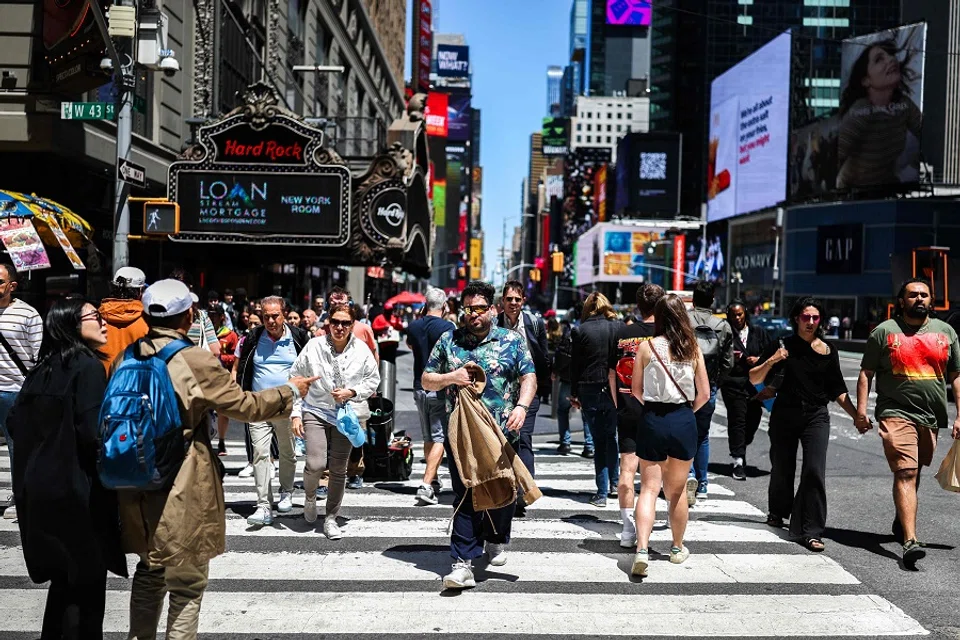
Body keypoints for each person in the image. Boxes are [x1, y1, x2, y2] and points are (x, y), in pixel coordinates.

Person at [117, 279, 315, 640]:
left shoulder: (129, 354)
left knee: (149, 572)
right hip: (181, 480)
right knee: (187, 584)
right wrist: (290, 391)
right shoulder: (193, 358)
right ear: (188, 315)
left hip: (134, 479)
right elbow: (244, 406)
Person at [8, 299, 126, 639]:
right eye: (96, 317)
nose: (105, 323)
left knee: (62, 583)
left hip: (39, 491)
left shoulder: (42, 368)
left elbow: (15, 422)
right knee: (86, 590)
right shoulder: (87, 366)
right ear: (73, 325)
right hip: (77, 494)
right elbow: (93, 433)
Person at [422, 281, 537, 590]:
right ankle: (462, 563)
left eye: (480, 308)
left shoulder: (511, 341)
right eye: (468, 308)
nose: (473, 314)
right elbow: (426, 379)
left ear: (493, 309)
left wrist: (522, 407)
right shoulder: (449, 340)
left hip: (502, 435)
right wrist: (451, 377)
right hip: (461, 436)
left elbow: (529, 376)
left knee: (502, 493)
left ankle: (496, 537)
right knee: (466, 495)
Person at [856, 279, 960, 567]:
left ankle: (902, 520)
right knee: (906, 471)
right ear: (901, 301)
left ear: (932, 300)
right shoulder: (884, 332)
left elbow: (956, 376)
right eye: (912, 295)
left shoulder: (946, 332)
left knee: (914, 472)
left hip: (931, 417)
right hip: (895, 412)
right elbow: (866, 373)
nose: (918, 299)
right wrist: (861, 412)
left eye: (924, 295)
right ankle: (910, 541)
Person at [750, 297, 857, 553]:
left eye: (815, 318)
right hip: (785, 414)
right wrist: (773, 359)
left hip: (816, 416)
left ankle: (810, 530)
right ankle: (777, 511)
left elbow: (838, 389)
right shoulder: (782, 344)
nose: (810, 322)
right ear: (796, 318)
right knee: (782, 468)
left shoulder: (829, 350)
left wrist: (856, 415)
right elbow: (754, 376)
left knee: (814, 471)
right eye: (806, 317)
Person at [629, 293, 711, 577]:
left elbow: (636, 391)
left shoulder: (647, 347)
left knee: (649, 490)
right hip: (682, 419)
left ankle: (641, 549)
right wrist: (686, 410)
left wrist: (654, 408)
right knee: (676, 493)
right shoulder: (693, 349)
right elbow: (705, 394)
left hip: (652, 419)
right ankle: (676, 548)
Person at [290, 302, 380, 539]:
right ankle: (310, 496)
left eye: (345, 323)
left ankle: (331, 518)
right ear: (328, 321)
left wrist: (352, 392)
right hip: (315, 409)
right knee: (317, 463)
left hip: (345, 414)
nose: (339, 327)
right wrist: (296, 413)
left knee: (339, 469)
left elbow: (373, 379)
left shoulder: (361, 350)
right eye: (335, 322)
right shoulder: (314, 346)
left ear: (353, 325)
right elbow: (295, 377)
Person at [234, 296, 311, 526]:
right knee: (260, 453)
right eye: (266, 316)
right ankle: (263, 506)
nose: (270, 320)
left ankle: (286, 491)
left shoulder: (298, 337)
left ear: (284, 314)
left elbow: (307, 369)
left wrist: (303, 405)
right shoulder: (253, 337)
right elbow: (243, 368)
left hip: (287, 405)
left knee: (287, 452)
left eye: (275, 315)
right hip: (258, 406)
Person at [610, 283, 663, 547]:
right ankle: (646, 525)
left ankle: (628, 529)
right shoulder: (667, 335)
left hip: (627, 407)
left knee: (627, 469)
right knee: (653, 476)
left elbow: (612, 372)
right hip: (658, 409)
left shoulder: (623, 333)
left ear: (638, 305)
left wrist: (617, 401)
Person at [837, 38, 923, 189]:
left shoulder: (904, 105)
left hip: (887, 190)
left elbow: (929, 140)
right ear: (866, 81)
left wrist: (910, 172)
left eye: (890, 54)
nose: (891, 59)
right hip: (852, 195)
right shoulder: (860, 111)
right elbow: (835, 158)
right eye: (879, 60)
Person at [496, 280, 550, 515]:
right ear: (502, 301)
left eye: (517, 299)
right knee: (503, 440)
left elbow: (544, 355)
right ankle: (504, 488)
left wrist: (541, 385)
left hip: (528, 390)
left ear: (523, 301)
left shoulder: (534, 323)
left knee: (524, 438)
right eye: (509, 299)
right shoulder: (494, 323)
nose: (513, 304)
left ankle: (523, 491)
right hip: (500, 392)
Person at [318, 286, 378, 490]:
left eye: (341, 302)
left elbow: (373, 356)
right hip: (328, 393)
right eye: (333, 303)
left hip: (355, 391)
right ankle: (326, 476)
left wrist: (370, 386)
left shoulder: (362, 329)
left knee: (355, 431)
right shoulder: (321, 331)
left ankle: (355, 470)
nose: (337, 306)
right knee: (327, 435)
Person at [570, 292, 622, 508]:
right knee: (612, 437)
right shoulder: (617, 327)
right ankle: (615, 485)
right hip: (613, 388)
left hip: (588, 387)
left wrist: (574, 393)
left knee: (598, 440)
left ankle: (601, 492)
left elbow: (575, 365)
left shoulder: (580, 330)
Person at [0, 262, 42, 520]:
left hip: (16, 391)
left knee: (18, 448)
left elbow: (38, 358)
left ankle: (21, 495)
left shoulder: (28, 315)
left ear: (11, 286)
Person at [406, 287, 455, 505]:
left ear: (425, 305)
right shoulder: (448, 327)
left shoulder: (414, 326)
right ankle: (426, 484)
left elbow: (409, 344)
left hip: (419, 386)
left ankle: (433, 478)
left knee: (428, 435)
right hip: (440, 386)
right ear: (444, 306)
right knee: (440, 437)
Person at [686, 280, 734, 504]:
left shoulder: (683, 320)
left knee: (683, 433)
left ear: (693, 300)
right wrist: (715, 382)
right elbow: (728, 362)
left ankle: (688, 475)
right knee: (702, 435)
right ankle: (703, 484)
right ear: (713, 300)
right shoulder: (722, 325)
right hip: (709, 385)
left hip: (684, 384)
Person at [720, 299, 770, 481]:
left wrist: (759, 360)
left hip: (755, 385)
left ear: (745, 313)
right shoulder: (725, 334)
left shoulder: (758, 333)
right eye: (733, 315)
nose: (737, 318)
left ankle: (742, 445)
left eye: (740, 314)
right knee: (737, 420)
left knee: (753, 418)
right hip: (733, 384)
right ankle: (738, 460)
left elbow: (770, 353)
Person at [552, 317, 594, 457]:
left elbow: (561, 354)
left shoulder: (570, 331)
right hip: (585, 378)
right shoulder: (591, 331)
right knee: (586, 413)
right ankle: (589, 445)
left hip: (568, 378)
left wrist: (556, 370)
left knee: (563, 410)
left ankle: (565, 442)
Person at [98, 266, 150, 372]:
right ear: (140, 291)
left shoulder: (94, 318)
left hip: (101, 382)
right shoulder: (147, 321)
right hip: (133, 383)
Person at [209, 304, 239, 457]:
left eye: (215, 315)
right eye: (210, 314)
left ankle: (221, 440)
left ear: (222, 317)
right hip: (207, 377)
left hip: (224, 377)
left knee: (223, 411)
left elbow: (236, 356)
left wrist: (220, 357)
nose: (212, 317)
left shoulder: (230, 335)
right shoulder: (204, 332)